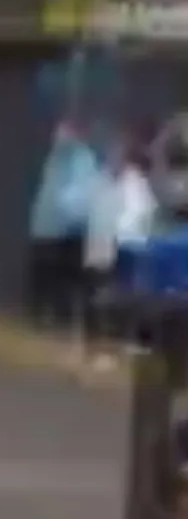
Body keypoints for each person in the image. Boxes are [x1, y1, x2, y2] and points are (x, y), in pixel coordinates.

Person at [82, 133, 156, 364]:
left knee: (125, 298)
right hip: (102, 244)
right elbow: (94, 211)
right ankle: (96, 348)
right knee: (98, 298)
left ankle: (122, 345)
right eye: (113, 155)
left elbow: (142, 215)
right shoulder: (101, 180)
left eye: (120, 156)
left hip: (128, 247)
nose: (116, 159)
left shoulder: (137, 184)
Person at [26, 120, 99, 328]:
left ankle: (56, 318)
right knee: (41, 277)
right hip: (46, 227)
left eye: (63, 131)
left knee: (58, 280)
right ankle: (39, 316)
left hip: (64, 231)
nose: (58, 135)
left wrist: (70, 218)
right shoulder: (56, 156)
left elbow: (79, 195)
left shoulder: (81, 159)